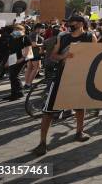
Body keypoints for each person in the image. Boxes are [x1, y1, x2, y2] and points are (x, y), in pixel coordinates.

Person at [33, 15, 96, 156]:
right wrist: (63, 57)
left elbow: (95, 57)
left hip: (79, 78)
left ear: (80, 23)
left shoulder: (90, 37)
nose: (69, 24)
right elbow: (53, 55)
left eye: (71, 22)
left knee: (80, 106)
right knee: (48, 111)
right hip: (61, 77)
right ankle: (42, 143)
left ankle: (79, 132)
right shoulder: (63, 37)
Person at [4, 25, 33, 101]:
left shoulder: (25, 37)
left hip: (21, 58)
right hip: (13, 58)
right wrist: (8, 61)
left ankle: (19, 93)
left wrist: (22, 59)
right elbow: (10, 50)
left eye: (18, 29)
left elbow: (28, 48)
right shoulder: (12, 38)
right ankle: (14, 93)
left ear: (23, 30)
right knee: (12, 76)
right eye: (15, 29)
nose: (16, 30)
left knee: (14, 75)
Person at [24, 23, 44, 90]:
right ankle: (29, 84)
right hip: (35, 53)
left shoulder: (32, 33)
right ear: (38, 28)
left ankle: (27, 83)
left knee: (29, 68)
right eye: (42, 28)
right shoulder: (35, 34)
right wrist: (43, 44)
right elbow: (34, 44)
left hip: (30, 52)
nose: (43, 30)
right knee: (37, 67)